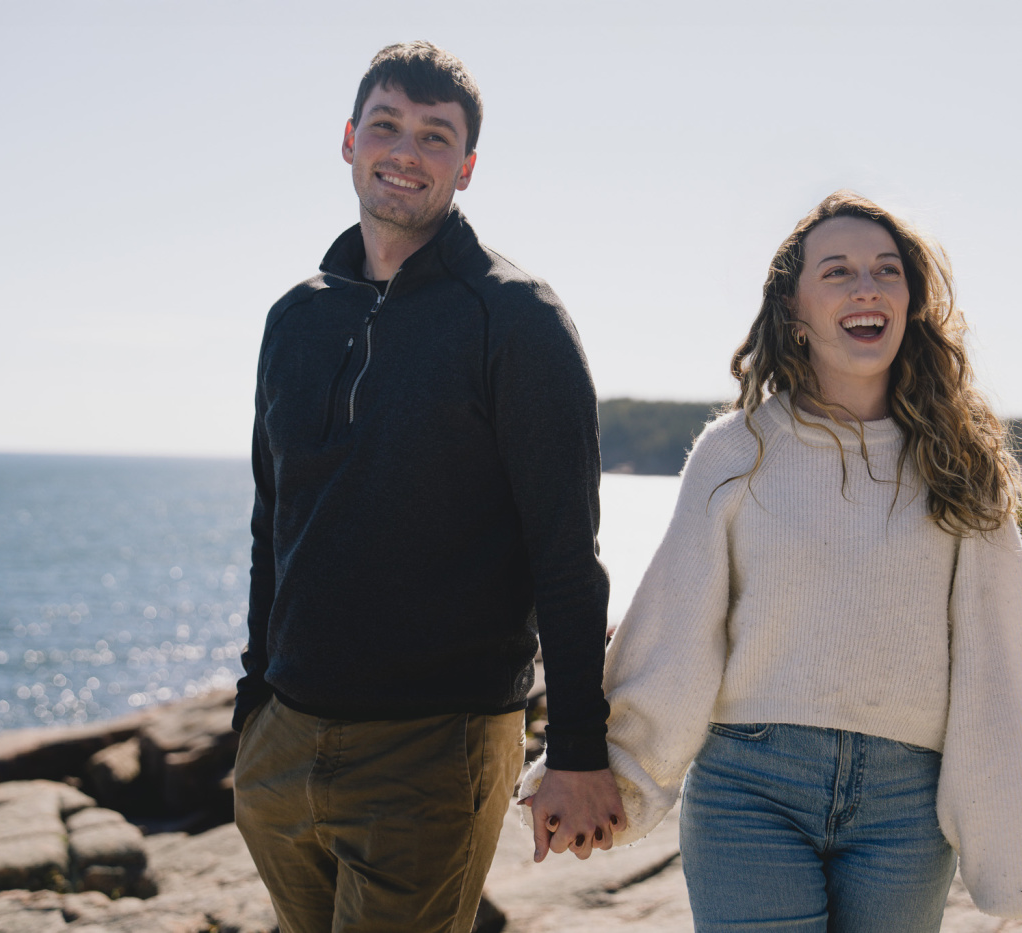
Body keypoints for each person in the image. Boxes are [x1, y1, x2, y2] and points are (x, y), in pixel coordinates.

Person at [521, 191, 1022, 929]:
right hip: (751, 790)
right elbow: (675, 634)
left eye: (887, 269)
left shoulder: (959, 464)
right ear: (795, 310)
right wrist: (593, 768)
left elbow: (1005, 651)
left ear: (910, 301)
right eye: (839, 271)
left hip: (905, 806)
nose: (867, 286)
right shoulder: (735, 452)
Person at [232, 40, 623, 933]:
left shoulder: (516, 318)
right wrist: (255, 705)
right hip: (283, 744)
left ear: (468, 166)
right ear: (348, 140)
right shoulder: (295, 317)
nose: (405, 150)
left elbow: (566, 554)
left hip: (433, 748)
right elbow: (272, 523)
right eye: (387, 125)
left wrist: (576, 751)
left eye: (435, 135)